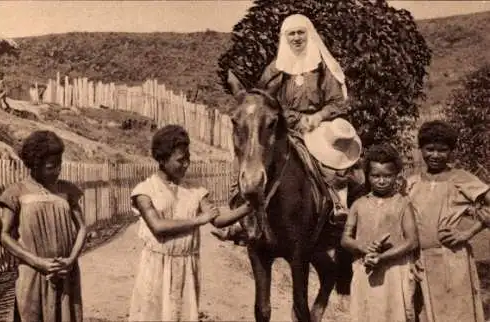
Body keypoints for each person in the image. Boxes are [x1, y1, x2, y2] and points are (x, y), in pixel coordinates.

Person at [212, 13, 363, 243]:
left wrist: (319, 115)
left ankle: (337, 209)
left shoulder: (322, 68)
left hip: (318, 128)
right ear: (284, 37)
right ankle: (242, 220)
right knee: (251, 162)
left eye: (300, 32)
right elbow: (264, 102)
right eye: (291, 33)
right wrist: (292, 118)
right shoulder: (275, 69)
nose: (296, 38)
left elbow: (338, 101)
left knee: (333, 166)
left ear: (308, 34)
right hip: (281, 128)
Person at [128, 124, 253, 322]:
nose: (186, 164)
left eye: (188, 159)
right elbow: (158, 227)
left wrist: (250, 207)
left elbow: (218, 220)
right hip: (155, 268)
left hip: (186, 267)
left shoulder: (195, 190)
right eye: (180, 160)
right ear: (161, 159)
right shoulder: (145, 191)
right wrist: (197, 220)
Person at [0, 130, 86, 322]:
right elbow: (4, 236)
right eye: (50, 167)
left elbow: (82, 228)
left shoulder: (67, 190)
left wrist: (71, 260)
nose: (57, 170)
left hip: (65, 272)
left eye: (59, 165)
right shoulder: (16, 192)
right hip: (33, 272)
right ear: (34, 166)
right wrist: (38, 262)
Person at [406, 120, 490, 322]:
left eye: (442, 150)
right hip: (421, 261)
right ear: (421, 149)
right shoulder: (411, 183)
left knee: (456, 315)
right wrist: (409, 257)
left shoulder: (461, 178)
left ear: (451, 151)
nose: (435, 155)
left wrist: (468, 233)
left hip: (453, 260)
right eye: (430, 149)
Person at [341, 143, 419, 322]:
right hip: (365, 267)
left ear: (396, 175)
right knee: (366, 313)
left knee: (395, 313)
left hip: (395, 270)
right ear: (368, 176)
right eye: (375, 176)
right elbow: (345, 239)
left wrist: (382, 257)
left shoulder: (403, 204)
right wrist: (364, 248)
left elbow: (412, 241)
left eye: (387, 176)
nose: (381, 181)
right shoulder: (359, 204)